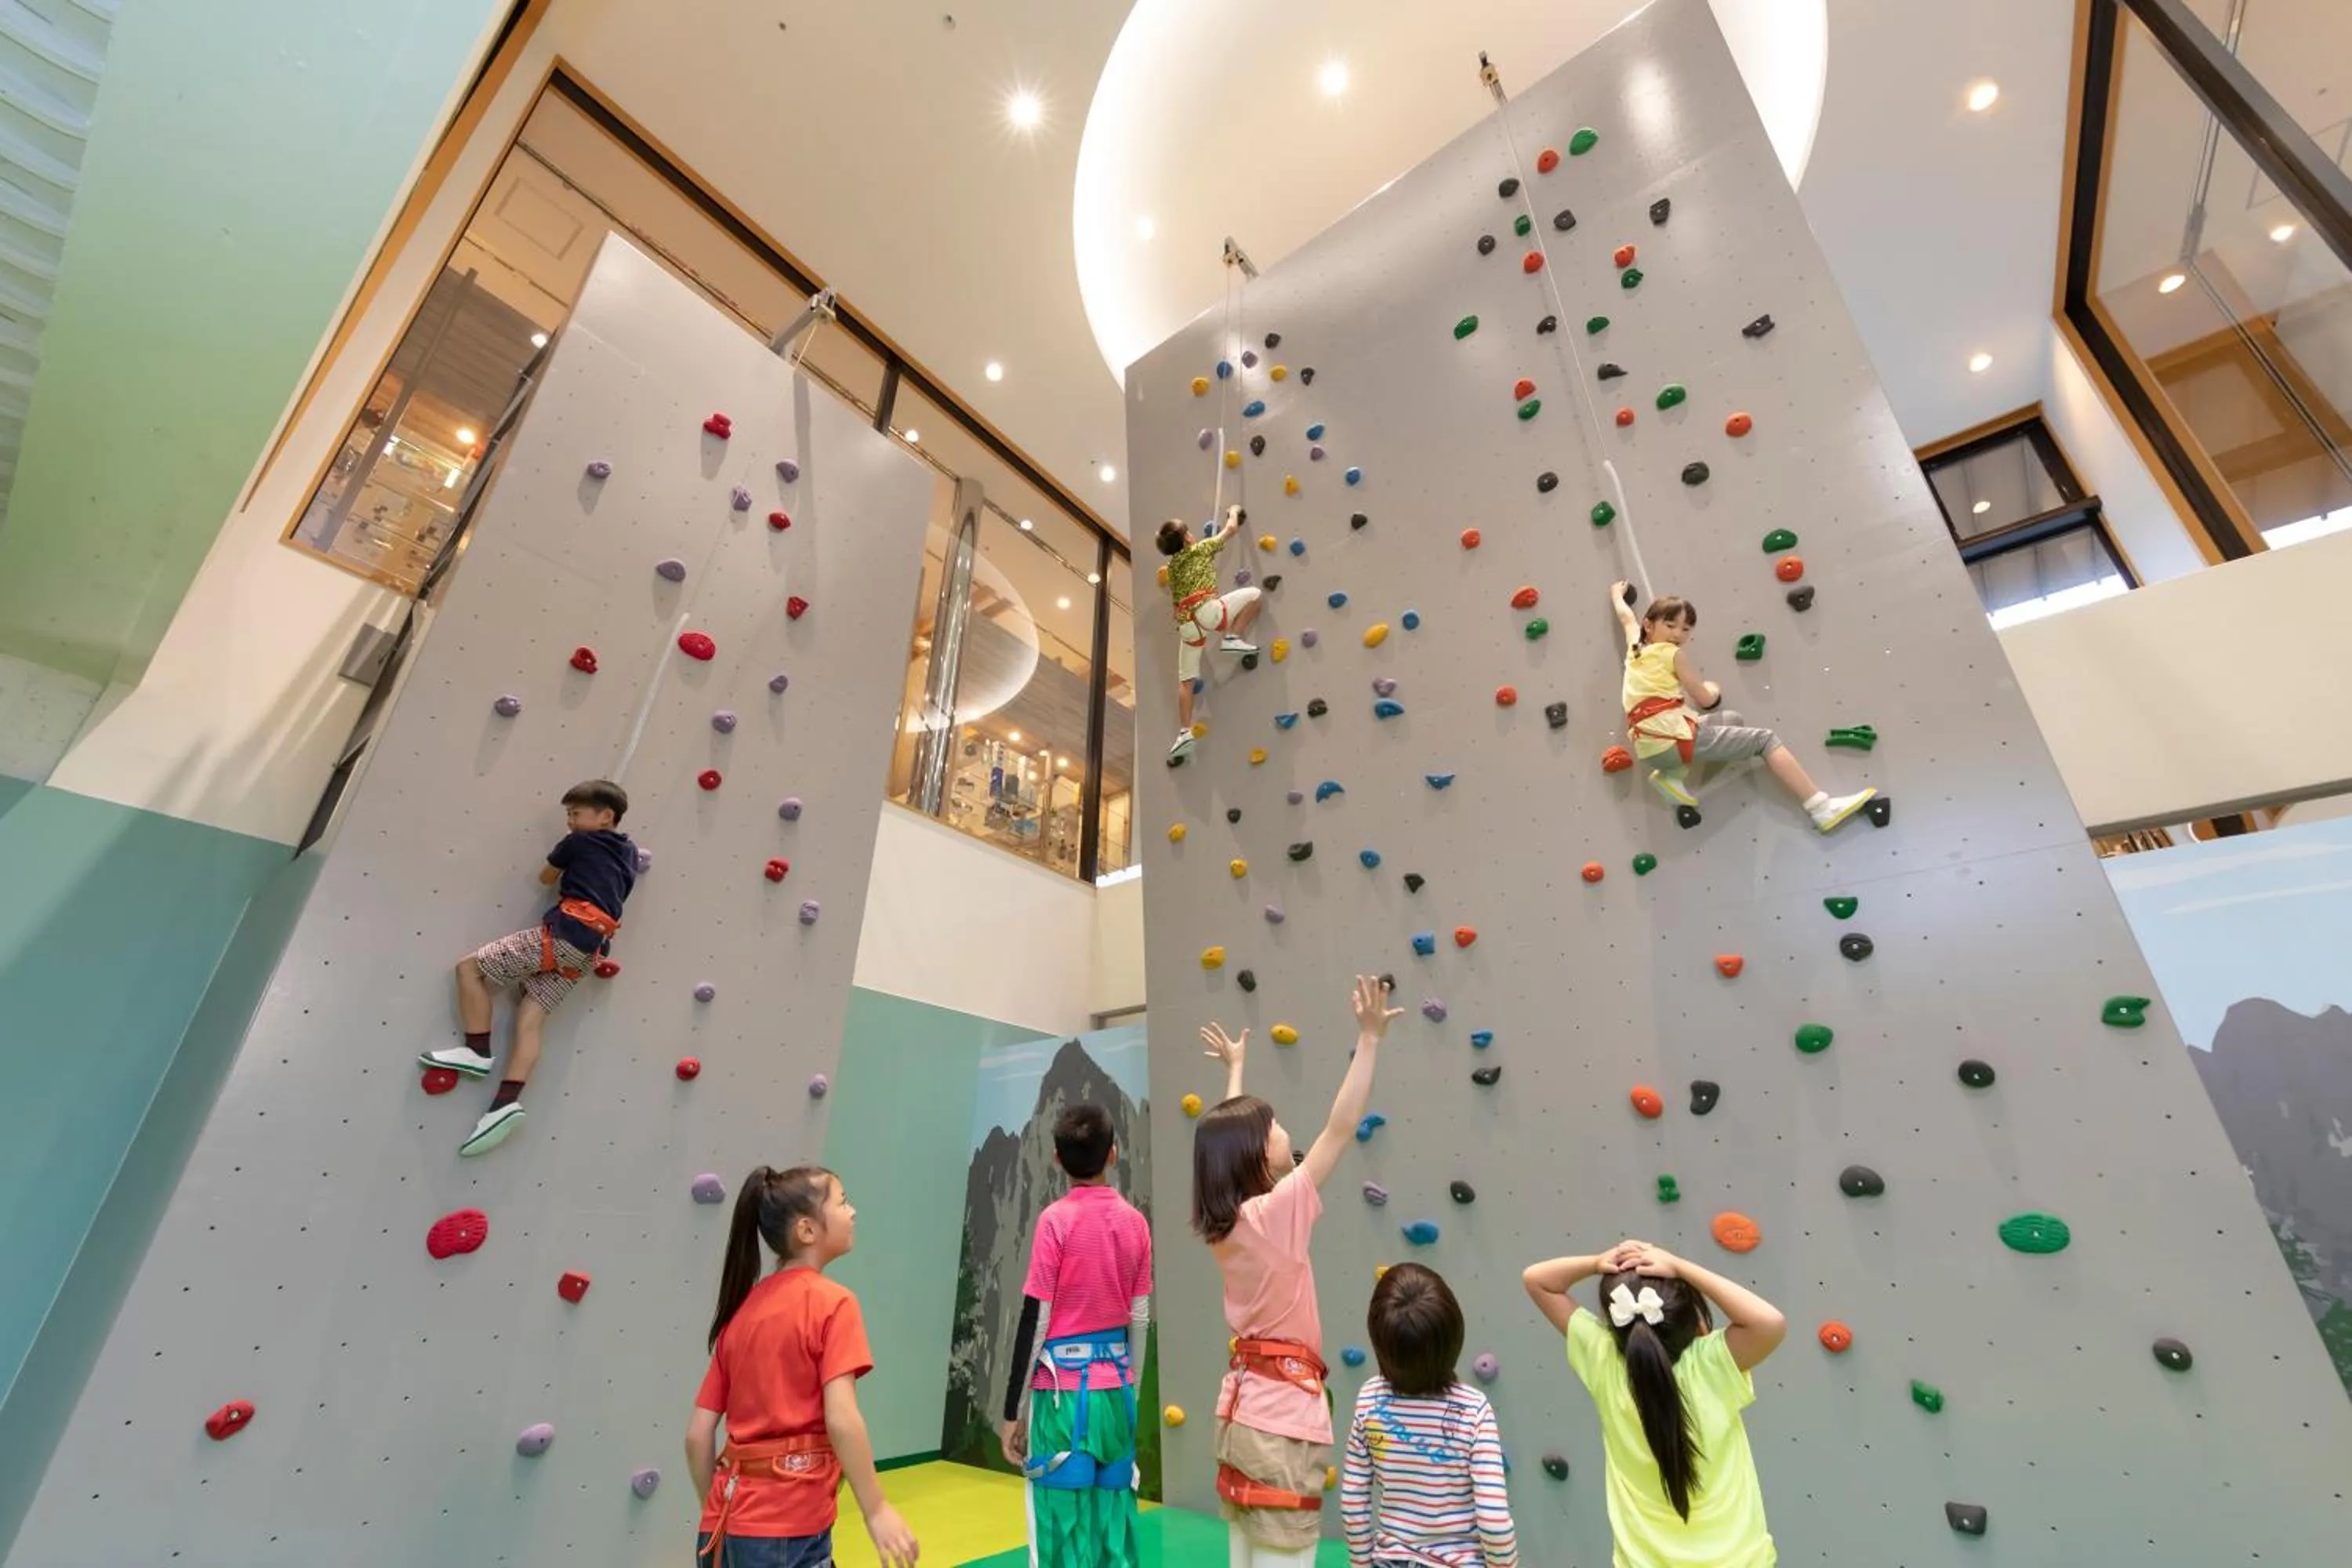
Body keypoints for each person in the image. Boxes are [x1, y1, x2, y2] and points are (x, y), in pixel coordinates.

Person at [1194, 972, 1401, 1566]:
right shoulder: (1274, 1213)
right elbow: (1340, 1127)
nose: (1289, 1132)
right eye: (1277, 1127)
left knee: (1245, 1555)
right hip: (1281, 1421)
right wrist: (1369, 1040)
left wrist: (1234, 1071)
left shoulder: (1228, 1222)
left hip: (1241, 1413)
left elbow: (1227, 1142)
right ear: (1259, 1153)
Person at [686, 1165, 920, 1568]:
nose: (853, 1212)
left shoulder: (740, 1314)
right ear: (807, 1231)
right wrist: (876, 1509)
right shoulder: (833, 1303)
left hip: (721, 1532)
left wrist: (721, 1509)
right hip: (788, 1532)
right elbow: (842, 1418)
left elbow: (697, 1436)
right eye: (842, 1202)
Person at [1521, 1239, 1786, 1568]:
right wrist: (1680, 1266)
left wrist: (1597, 1262)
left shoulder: (1603, 1359)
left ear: (1614, 1322)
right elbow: (1769, 1322)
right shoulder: (1713, 1364)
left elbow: (1537, 1279)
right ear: (1688, 1315)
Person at [419, 779, 637, 1156]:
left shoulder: (579, 842)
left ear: (605, 816)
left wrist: (566, 863)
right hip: (590, 952)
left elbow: (546, 877)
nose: (569, 821)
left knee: (469, 968)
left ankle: (476, 1052)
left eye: (575, 813)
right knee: (531, 1018)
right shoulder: (629, 852)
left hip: (566, 933)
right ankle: (503, 1105)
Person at [997, 1103, 1154, 1567]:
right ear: (1114, 1154)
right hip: (1115, 1396)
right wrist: (1132, 1389)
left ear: (1057, 1160)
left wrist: (1013, 1411)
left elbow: (1037, 1317)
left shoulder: (1054, 1221)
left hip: (1062, 1400)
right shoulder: (1135, 1223)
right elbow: (1139, 1318)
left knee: (1059, 1534)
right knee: (1113, 1526)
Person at [1610, 583, 1874, 833]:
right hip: (1671, 738)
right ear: (1649, 624)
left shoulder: (1634, 649)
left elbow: (1626, 618)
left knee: (1732, 719)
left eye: (1686, 629)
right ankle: (1821, 807)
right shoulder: (1673, 654)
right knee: (1765, 740)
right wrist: (1713, 689)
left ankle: (1671, 774)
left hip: (1648, 747)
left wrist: (1617, 594)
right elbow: (1704, 698)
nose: (1678, 634)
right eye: (1671, 625)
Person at [1340, 1264, 1519, 1567]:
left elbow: (1353, 1501)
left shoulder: (1370, 1399)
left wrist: (1361, 1563)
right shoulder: (1474, 1410)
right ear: (1454, 1336)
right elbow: (1493, 1520)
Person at [1157, 503, 1263, 764]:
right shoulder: (1201, 549)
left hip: (1187, 626)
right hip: (1208, 611)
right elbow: (1231, 530)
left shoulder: (1172, 570)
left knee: (1186, 681)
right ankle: (1233, 637)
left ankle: (1184, 732)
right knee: (1255, 596)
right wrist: (1234, 511)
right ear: (1187, 538)